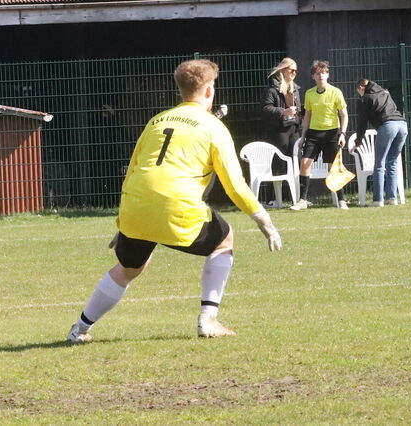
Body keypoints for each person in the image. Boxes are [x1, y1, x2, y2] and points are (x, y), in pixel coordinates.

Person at [67, 59, 282, 343]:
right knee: (224, 240)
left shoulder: (157, 121)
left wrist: (124, 222)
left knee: (130, 267)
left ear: (180, 90)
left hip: (135, 206)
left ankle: (80, 329)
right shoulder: (214, 127)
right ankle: (208, 319)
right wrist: (264, 220)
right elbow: (235, 185)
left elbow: (133, 171)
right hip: (176, 206)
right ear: (209, 91)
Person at [294, 60, 350, 210]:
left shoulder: (336, 92)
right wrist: (303, 136)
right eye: (318, 73)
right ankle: (302, 200)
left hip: (332, 133)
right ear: (313, 76)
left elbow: (344, 115)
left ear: (328, 75)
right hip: (313, 134)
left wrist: (343, 134)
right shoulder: (309, 94)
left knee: (334, 167)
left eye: (324, 73)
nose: (321, 76)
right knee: (304, 164)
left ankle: (341, 200)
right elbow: (307, 116)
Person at [349, 78, 408, 206]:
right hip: (402, 125)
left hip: (387, 126)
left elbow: (362, 123)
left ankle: (378, 200)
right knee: (392, 162)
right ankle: (391, 198)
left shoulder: (365, 99)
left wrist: (358, 142)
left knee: (379, 163)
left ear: (360, 88)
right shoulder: (385, 92)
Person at [261, 57, 303, 197]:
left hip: (294, 128)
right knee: (278, 162)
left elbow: (298, 109)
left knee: (296, 160)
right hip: (279, 130)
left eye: (296, 71)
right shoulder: (272, 89)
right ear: (283, 70)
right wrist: (283, 111)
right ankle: (274, 198)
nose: (294, 73)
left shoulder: (295, 89)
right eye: (291, 70)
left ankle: (298, 197)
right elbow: (266, 108)